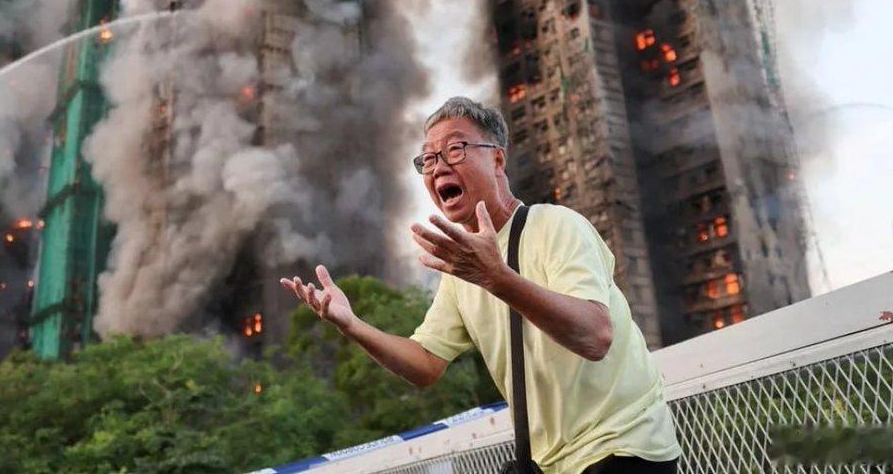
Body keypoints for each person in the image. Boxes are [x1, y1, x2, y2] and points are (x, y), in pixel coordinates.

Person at [280, 96, 681, 474]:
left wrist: (496, 277)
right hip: (550, 464)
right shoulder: (462, 271)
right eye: (429, 158)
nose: (438, 167)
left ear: (498, 160)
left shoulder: (556, 225)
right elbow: (425, 365)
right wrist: (351, 324)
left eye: (455, 150)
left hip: (623, 449)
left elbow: (595, 336)